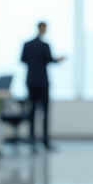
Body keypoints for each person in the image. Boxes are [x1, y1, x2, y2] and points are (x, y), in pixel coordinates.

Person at [20, 21, 65, 151]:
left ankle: (32, 141)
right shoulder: (45, 45)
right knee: (44, 113)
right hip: (43, 83)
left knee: (32, 112)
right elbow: (50, 60)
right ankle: (45, 142)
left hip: (31, 81)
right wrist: (59, 60)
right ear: (42, 28)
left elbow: (22, 60)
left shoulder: (27, 45)